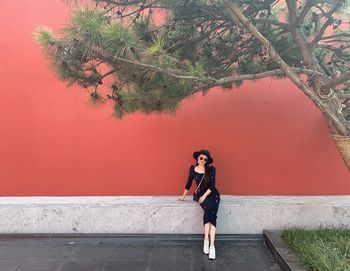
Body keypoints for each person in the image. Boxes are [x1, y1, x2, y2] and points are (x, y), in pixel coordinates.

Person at [177, 149, 221, 260]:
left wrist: (204, 196)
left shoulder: (211, 170)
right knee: (210, 209)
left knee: (211, 211)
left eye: (205, 159)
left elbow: (212, 186)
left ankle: (211, 244)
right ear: (197, 158)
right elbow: (188, 184)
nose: (202, 160)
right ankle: (208, 242)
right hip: (200, 195)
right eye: (201, 158)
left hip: (212, 194)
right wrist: (183, 197)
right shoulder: (193, 169)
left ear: (207, 161)